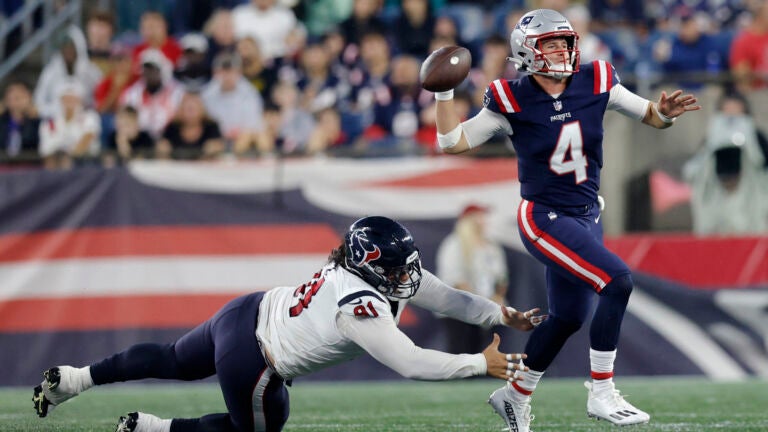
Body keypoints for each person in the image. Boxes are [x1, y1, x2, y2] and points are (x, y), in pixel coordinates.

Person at [429, 9, 701, 431]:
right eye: (550, 44)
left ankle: (514, 396)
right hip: (543, 216)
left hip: (588, 213)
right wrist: (444, 95)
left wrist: (663, 112)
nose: (562, 50)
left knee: (570, 316)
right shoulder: (510, 96)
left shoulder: (597, 79)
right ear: (526, 51)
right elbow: (453, 142)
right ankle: (602, 391)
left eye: (565, 41)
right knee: (617, 281)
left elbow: (651, 115)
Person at [32, 216, 545, 432]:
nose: (406, 276)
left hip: (248, 311)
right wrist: (478, 361)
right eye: (395, 268)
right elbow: (409, 362)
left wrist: (499, 314)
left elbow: (445, 297)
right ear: (369, 265)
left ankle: (74, 379)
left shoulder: (371, 272)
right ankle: (152, 429)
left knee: (172, 359)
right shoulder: (358, 304)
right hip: (256, 357)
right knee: (259, 427)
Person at [436, 204, 509, 354]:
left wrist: (496, 297)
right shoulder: (454, 244)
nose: (484, 221)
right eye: (480, 217)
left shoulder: (491, 246)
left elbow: (501, 277)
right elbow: (455, 279)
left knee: (484, 352)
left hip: (486, 309)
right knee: (461, 350)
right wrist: (479, 301)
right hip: (460, 309)